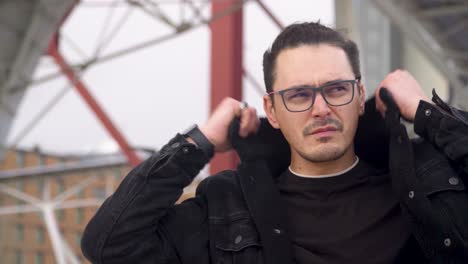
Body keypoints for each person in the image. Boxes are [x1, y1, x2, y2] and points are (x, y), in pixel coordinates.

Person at [81, 22, 468, 263]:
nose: (321, 109)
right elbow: (110, 244)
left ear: (359, 94)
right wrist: (198, 142)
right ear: (272, 109)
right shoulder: (227, 207)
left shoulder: (428, 176)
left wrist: (428, 113)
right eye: (299, 95)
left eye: (336, 89)